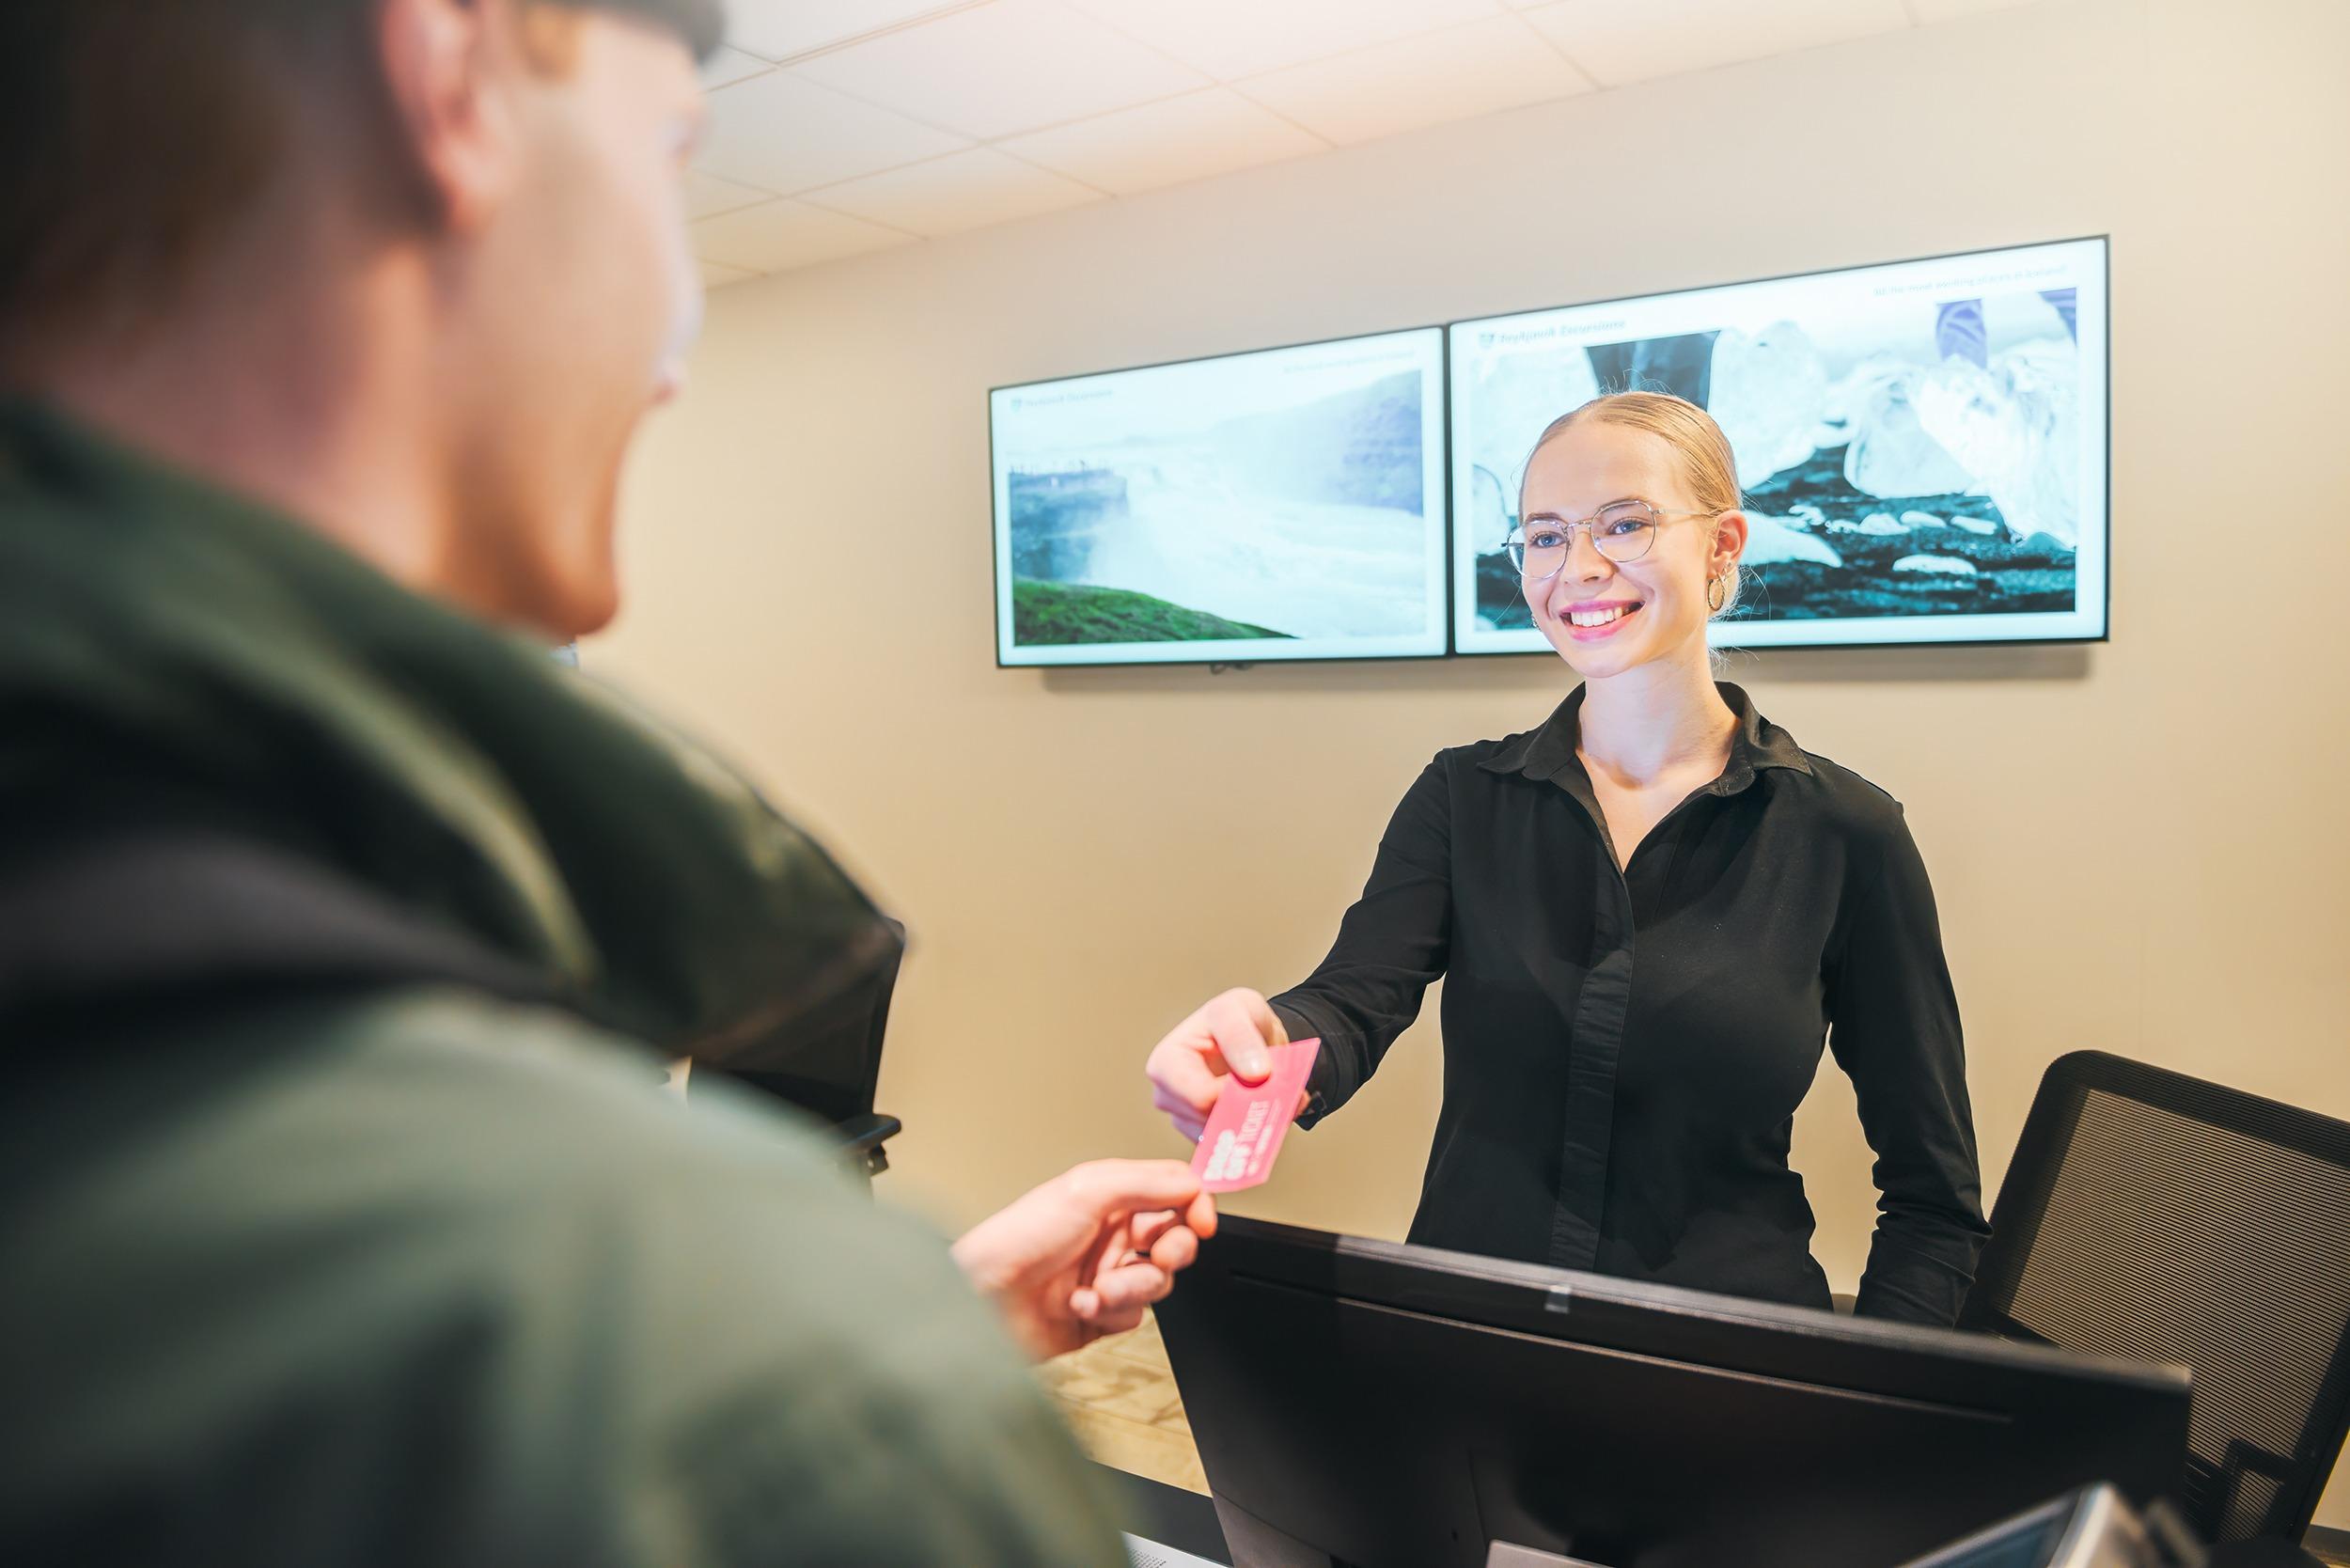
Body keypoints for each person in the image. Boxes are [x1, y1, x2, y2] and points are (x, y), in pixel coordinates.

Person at [0, 2, 1210, 1562]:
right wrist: (827, 1392)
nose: (676, 346)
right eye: (671, 156)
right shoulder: (700, 1366)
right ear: (452, 80)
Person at [1147, 393, 1992, 1325]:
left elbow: (1933, 1203)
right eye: (1543, 536)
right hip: (1470, 1348)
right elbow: (1353, 1002)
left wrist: (1870, 1417)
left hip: (1720, 1377)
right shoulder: (1463, 798)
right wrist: (1266, 1043)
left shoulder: (1847, 834)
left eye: (1624, 524)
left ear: (1722, 546)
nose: (1578, 568)